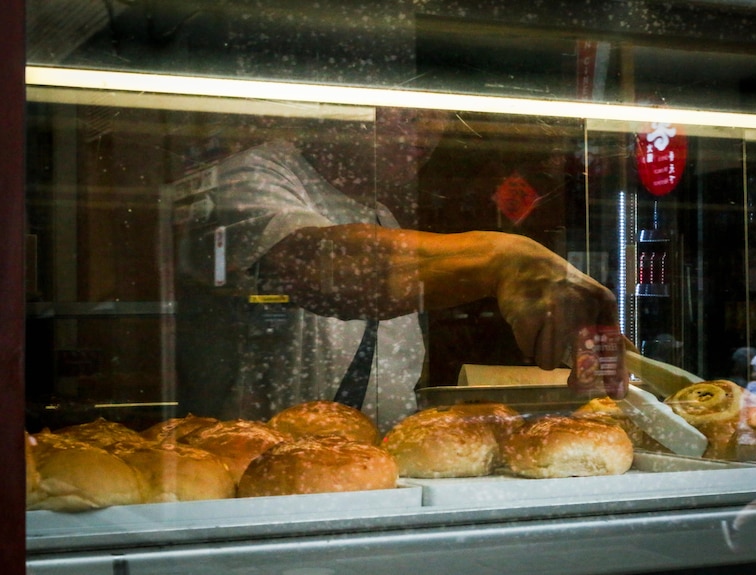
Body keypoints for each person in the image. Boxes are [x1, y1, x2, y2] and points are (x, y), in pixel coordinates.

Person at [173, 107, 625, 431]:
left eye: (439, 112)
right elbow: (325, 269)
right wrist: (505, 259)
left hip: (377, 480)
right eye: (405, 110)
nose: (428, 126)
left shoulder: (381, 218)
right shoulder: (247, 179)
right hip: (252, 481)